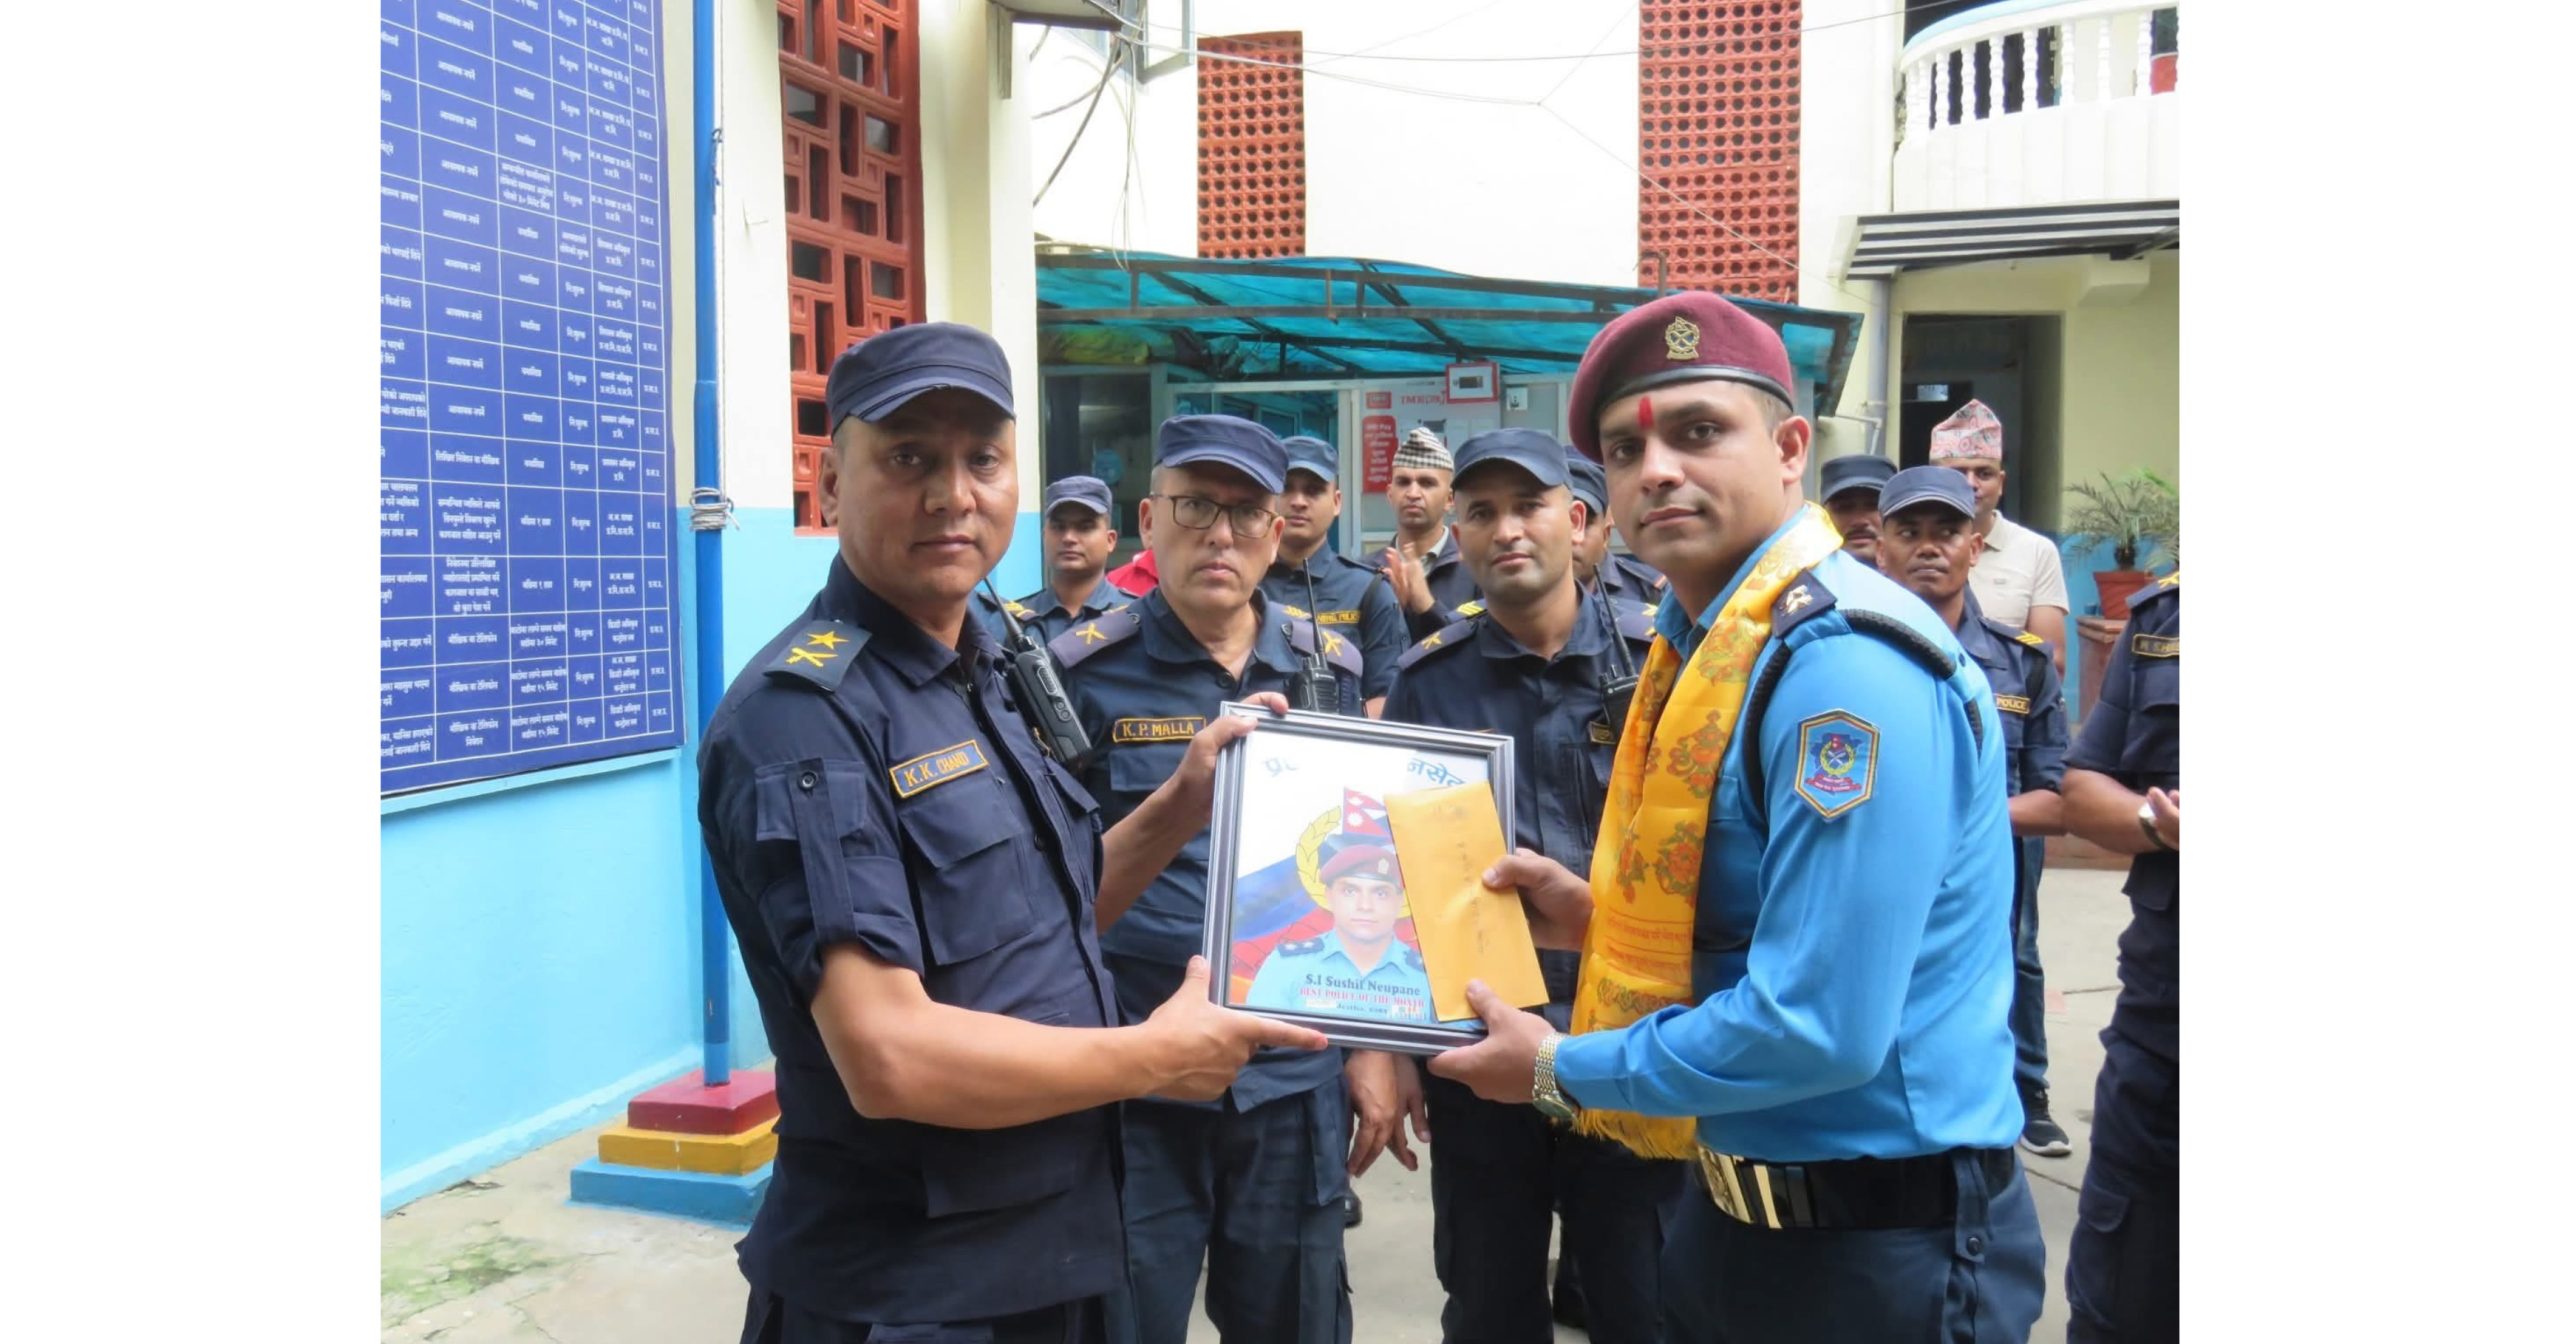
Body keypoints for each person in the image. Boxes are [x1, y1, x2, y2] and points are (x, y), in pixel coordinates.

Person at [1429, 291, 2043, 1344]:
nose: (1658, 469)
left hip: (1873, 1254)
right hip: (1731, 1217)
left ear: (1791, 447)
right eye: (1627, 449)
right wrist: (1595, 920)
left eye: (1700, 431)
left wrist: (1556, 1067)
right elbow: (1768, 920)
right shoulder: (1707, 647)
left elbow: (1817, 1025)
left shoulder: (1841, 669)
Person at [696, 324, 1326, 1344]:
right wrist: (1153, 1058)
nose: (953, 494)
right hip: (915, 1290)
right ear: (830, 484)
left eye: (982, 459)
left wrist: (1181, 802)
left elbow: (1054, 916)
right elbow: (888, 1054)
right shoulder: (804, 720)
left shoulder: (985, 669)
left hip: (1052, 1247)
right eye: (909, 458)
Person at [1050, 414, 1371, 1344]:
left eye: (1244, 513)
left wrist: (1376, 1052)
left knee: (1297, 1317)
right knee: (1124, 1318)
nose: (1219, 535)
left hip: (1291, 1069)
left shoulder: (1326, 669)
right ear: (1150, 521)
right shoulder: (1081, 672)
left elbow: (1368, 861)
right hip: (1134, 1065)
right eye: (1195, 507)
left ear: (1277, 533)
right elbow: (1046, 884)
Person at [1382, 426, 1688, 1344]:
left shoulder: (1665, 667)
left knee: (1645, 1302)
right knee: (1489, 1305)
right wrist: (1387, 1048)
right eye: (1481, 512)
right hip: (1483, 1051)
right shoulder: (1427, 684)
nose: (1506, 529)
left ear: (1579, 520)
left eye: (1529, 506)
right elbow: (1396, 879)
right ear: (1459, 536)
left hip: (1631, 1041)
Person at [1874, 466, 2074, 1159]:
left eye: (1947, 532)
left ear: (1975, 547)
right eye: (1909, 532)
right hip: (1879, 877)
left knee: (2010, 968)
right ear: (1880, 549)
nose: (1929, 546)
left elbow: (2058, 798)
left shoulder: (2023, 667)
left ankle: (2022, 1096)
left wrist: (1952, 816)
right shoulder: (1838, 654)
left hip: (1990, 881)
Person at [2058, 570, 2179, 1343]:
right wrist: (2157, 822)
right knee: (2119, 1309)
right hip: (2161, 1043)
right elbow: (2081, 789)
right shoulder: (2168, 618)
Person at [1261, 435, 1407, 714]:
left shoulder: (1370, 590)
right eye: (1286, 489)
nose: (1298, 502)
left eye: (1313, 491)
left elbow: (1388, 697)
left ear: (1337, 502)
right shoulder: (1242, 585)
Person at [1245, 816, 1430, 1022]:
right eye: (1350, 891)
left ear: (1399, 901)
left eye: (1380, 893)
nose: (1365, 906)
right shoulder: (1287, 964)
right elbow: (1259, 1035)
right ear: (1329, 896)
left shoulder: (1430, 978)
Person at [1931, 400, 2068, 675]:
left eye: (1984, 473)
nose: (1971, 484)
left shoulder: (2036, 551)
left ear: (2001, 483)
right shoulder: (1914, 549)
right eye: (1958, 473)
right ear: (1934, 480)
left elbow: (2051, 660)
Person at [1372, 426, 1478, 639]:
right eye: (1403, 482)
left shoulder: (1477, 570)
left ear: (1450, 500)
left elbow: (1482, 647)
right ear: (1390, 494)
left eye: (1427, 483)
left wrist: (1426, 606)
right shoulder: (1367, 572)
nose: (1413, 493)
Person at [1013, 476, 1136, 647]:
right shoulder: (1013, 622)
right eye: (1059, 527)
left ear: (1110, 540)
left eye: (1084, 527)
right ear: (1044, 537)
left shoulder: (1134, 617)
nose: (1069, 538)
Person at [1566, 454, 1666, 605]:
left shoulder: (1652, 591)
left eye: (1584, 524)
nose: (1570, 537)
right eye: (1560, 523)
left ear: (1606, 534)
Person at [1816, 453, 1894, 567]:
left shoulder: (1918, 576)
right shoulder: (1799, 576)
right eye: (1844, 507)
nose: (1859, 521)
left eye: (1874, 506)